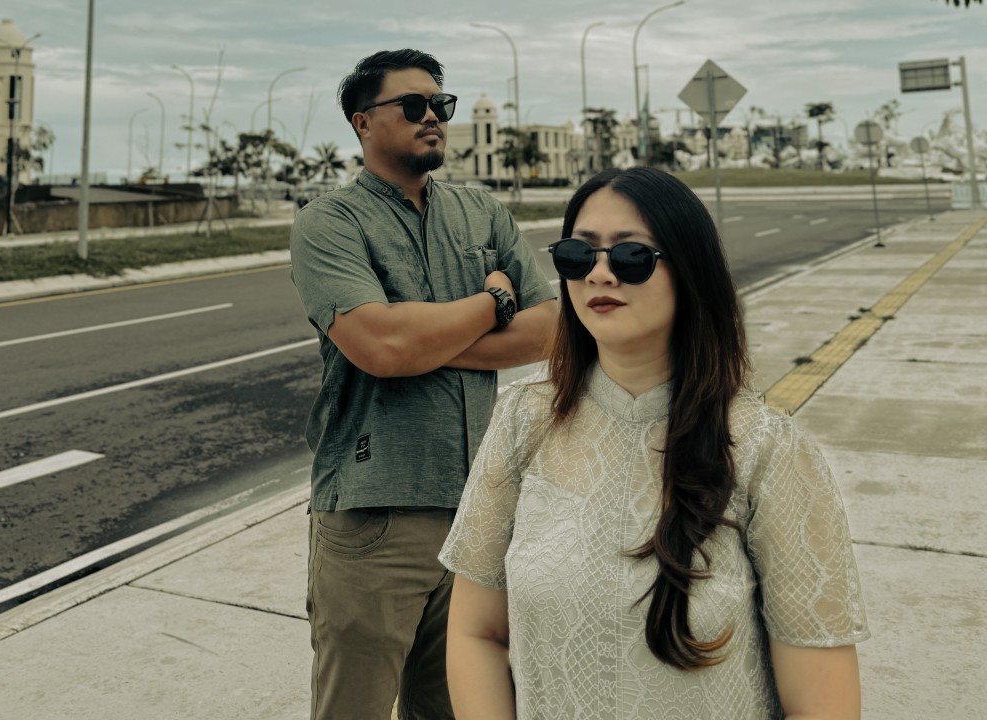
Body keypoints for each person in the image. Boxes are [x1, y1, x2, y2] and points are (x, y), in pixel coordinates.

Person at [439, 167, 870, 719]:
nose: (599, 274)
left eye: (631, 256)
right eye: (578, 255)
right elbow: (478, 633)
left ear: (689, 271)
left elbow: (821, 702)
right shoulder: (523, 420)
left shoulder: (768, 448)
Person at [289, 49, 558, 720]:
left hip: (477, 513)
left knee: (454, 708)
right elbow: (380, 346)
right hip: (376, 516)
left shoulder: (480, 212)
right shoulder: (331, 222)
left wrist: (422, 343)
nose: (433, 115)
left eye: (442, 104)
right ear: (362, 122)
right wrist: (493, 302)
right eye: (413, 105)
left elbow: (551, 329)